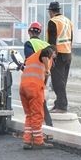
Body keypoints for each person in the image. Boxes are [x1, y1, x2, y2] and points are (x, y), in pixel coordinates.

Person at [18, 21, 56, 149]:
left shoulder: (30, 47)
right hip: (34, 87)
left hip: (24, 85)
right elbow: (45, 56)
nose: (54, 57)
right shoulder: (47, 48)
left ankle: (27, 141)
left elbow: (29, 63)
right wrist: (47, 69)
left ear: (29, 32)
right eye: (54, 55)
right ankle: (39, 141)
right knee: (38, 114)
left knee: (29, 115)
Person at [46, 1, 73, 112]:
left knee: (57, 82)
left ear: (51, 12)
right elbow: (71, 39)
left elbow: (52, 42)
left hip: (58, 54)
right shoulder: (68, 21)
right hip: (68, 54)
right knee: (62, 82)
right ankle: (58, 104)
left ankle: (62, 106)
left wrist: (51, 56)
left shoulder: (53, 22)